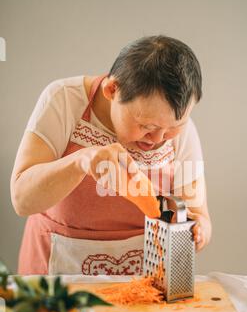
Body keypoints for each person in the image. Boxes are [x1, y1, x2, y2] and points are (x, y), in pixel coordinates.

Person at [10, 35, 212, 275]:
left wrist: (198, 231)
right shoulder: (63, 99)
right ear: (111, 89)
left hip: (143, 282)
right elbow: (22, 200)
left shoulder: (182, 132)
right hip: (57, 273)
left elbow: (198, 214)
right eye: (147, 126)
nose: (158, 139)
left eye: (173, 127)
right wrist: (80, 161)